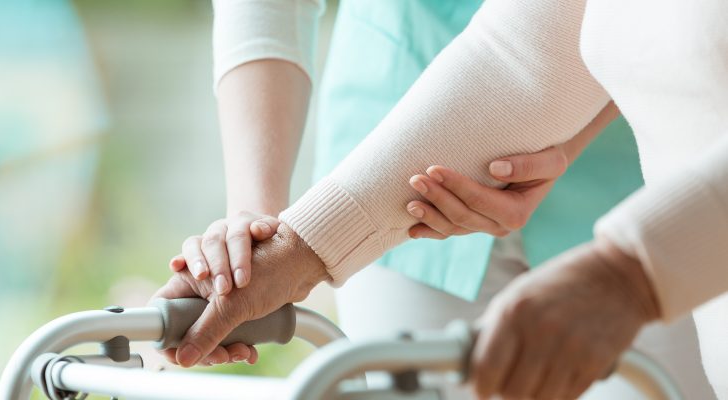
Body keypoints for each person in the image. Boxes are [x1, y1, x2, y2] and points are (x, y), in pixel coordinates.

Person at [154, 0, 728, 398]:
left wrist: (631, 274)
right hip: (405, 152)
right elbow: (526, 52)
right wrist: (280, 244)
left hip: (644, 190)